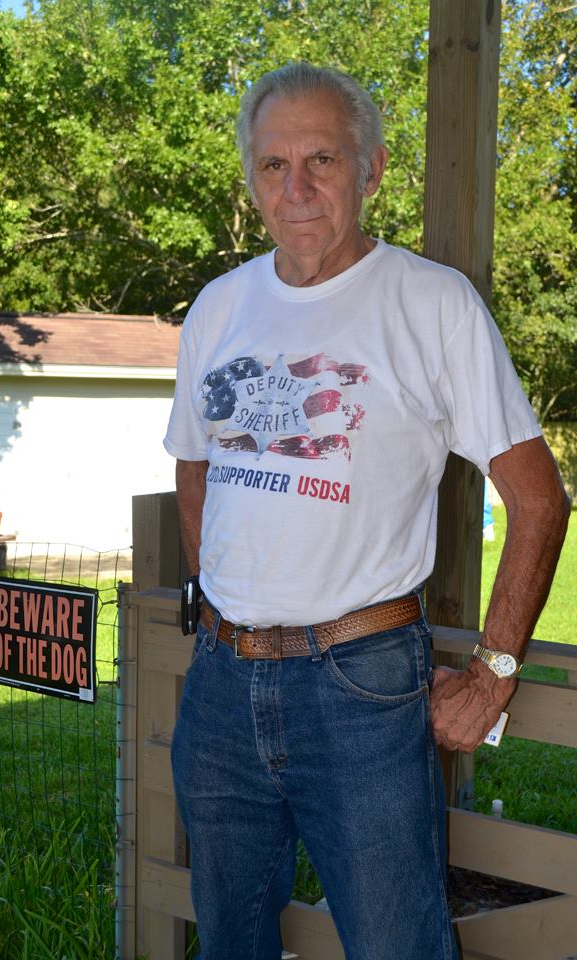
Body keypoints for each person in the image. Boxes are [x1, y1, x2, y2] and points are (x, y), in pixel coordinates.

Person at [163, 62, 569, 960]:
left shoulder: (431, 305)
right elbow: (196, 467)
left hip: (362, 684)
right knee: (230, 941)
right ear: (251, 179)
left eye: (322, 160)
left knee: (397, 944)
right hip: (224, 688)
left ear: (371, 167)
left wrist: (495, 672)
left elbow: (539, 502)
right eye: (273, 165)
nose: (297, 188)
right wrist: (216, 597)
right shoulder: (218, 309)